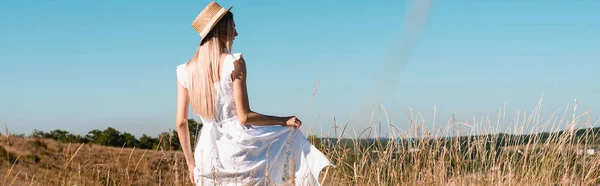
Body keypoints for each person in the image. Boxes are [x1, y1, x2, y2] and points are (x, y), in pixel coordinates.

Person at [175, 2, 332, 185]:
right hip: (237, 149)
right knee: (291, 141)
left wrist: (191, 164)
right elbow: (244, 117)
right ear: (222, 30)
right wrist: (283, 121)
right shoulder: (234, 63)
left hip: (206, 153)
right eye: (233, 28)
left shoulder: (185, 71)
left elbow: (181, 122)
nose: (236, 34)